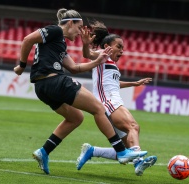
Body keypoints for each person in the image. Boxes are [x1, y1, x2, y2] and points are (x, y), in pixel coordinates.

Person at [14, 8, 147, 175]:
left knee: (76, 117)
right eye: (79, 27)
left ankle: (44, 151)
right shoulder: (55, 30)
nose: (80, 32)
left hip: (42, 88)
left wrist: (98, 61)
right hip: (55, 81)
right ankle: (121, 151)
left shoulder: (60, 44)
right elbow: (27, 39)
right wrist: (21, 65)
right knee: (99, 108)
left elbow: (75, 68)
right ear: (70, 23)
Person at [76, 20, 157, 176]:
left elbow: (114, 83)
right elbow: (87, 54)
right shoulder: (102, 55)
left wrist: (135, 83)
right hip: (108, 102)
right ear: (107, 46)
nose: (122, 51)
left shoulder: (111, 63)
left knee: (125, 149)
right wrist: (86, 44)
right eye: (119, 46)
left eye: (123, 48)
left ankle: (92, 151)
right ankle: (139, 162)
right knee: (133, 126)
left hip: (111, 101)